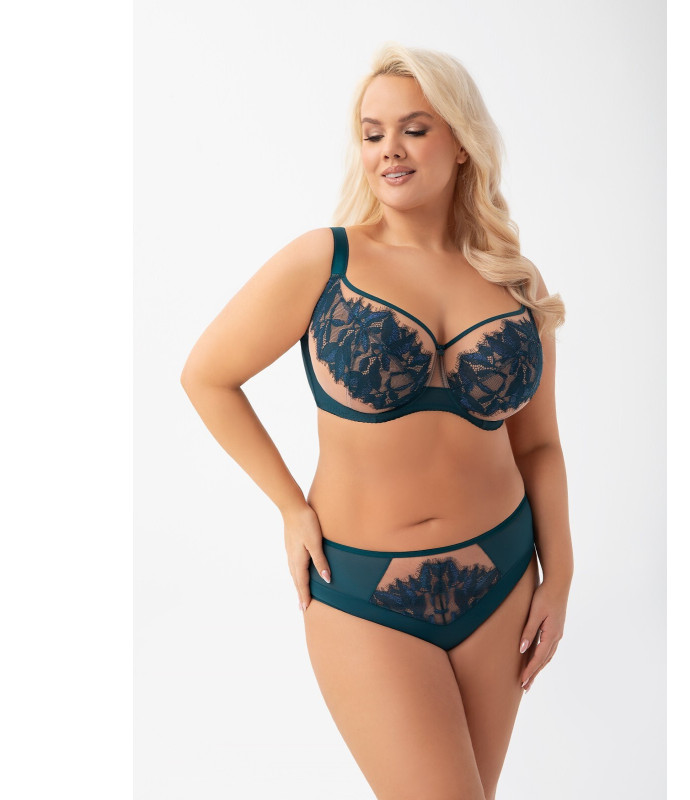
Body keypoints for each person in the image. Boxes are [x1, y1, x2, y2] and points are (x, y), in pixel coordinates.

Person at [181, 42, 572, 800]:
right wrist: (291, 506)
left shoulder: (514, 283)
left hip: (502, 580)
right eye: (372, 133)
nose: (389, 148)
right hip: (360, 590)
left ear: (462, 143)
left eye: (414, 129)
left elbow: (541, 446)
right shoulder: (324, 262)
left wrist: (560, 577)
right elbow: (208, 376)